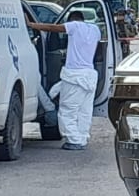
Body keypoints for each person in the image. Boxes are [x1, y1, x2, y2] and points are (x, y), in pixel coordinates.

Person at [28, 11, 101, 150]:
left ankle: (73, 140)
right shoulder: (95, 29)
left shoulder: (74, 26)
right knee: (84, 110)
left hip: (74, 76)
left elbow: (52, 28)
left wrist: (31, 25)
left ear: (71, 20)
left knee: (68, 110)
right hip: (90, 75)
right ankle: (82, 137)